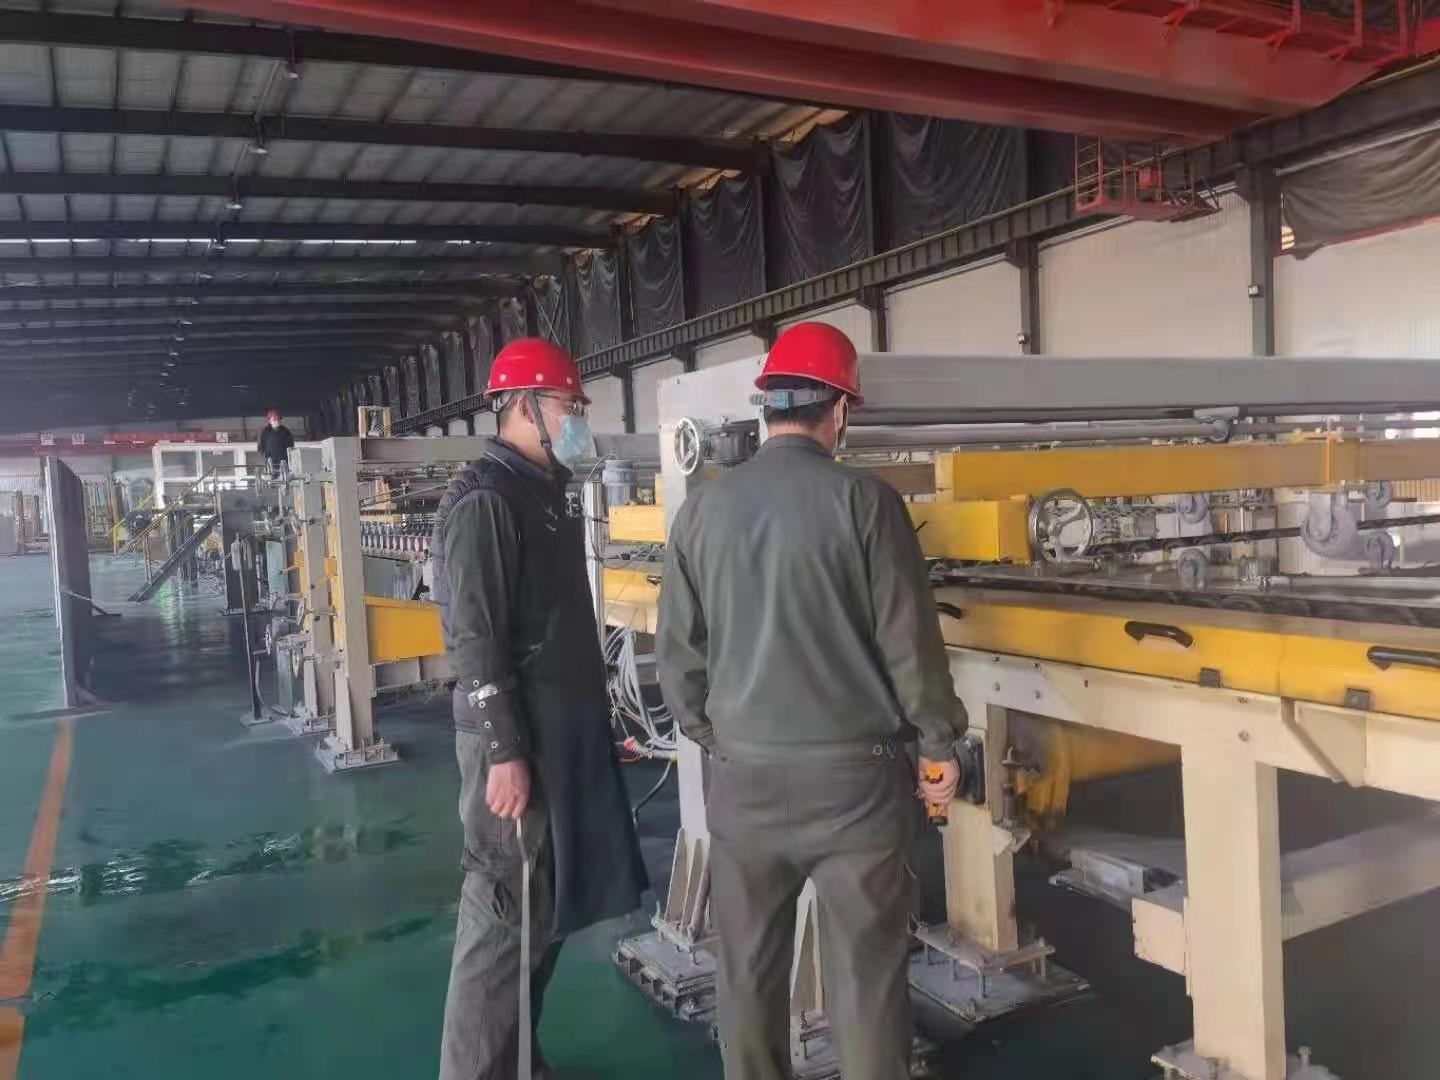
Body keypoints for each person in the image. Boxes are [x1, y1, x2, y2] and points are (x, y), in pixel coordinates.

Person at [656, 322, 968, 1080]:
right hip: (855, 789)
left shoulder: (701, 511)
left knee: (747, 971)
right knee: (866, 981)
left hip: (745, 783)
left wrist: (723, 740)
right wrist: (938, 745)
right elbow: (910, 645)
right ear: (841, 410)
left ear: (765, 407)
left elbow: (679, 662)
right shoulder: (867, 503)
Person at [432, 338, 647, 1080]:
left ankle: (517, 1062)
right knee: (504, 910)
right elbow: (475, 638)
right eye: (570, 404)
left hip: (558, 733)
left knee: (542, 907)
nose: (579, 417)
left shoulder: (540, 491)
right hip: (517, 741)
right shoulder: (487, 502)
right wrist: (504, 750)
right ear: (525, 406)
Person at [257, 409, 294, 475]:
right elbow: (261, 447)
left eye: (278, 419)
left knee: (284, 477)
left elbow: (291, 446)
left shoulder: (285, 431)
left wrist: (290, 458)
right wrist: (266, 457)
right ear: (269, 420)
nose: (277, 421)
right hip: (271, 462)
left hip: (284, 462)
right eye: (274, 419)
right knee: (272, 477)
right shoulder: (265, 432)